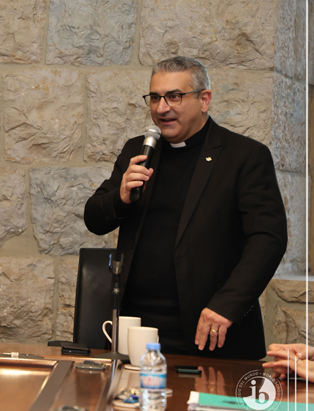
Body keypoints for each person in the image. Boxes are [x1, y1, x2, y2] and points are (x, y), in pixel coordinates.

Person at [84, 56, 287, 359]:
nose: (161, 108)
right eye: (155, 98)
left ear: (204, 100)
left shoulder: (244, 156)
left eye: (174, 96)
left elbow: (269, 239)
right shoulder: (137, 150)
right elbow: (94, 219)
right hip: (135, 326)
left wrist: (227, 305)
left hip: (208, 329)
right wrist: (120, 196)